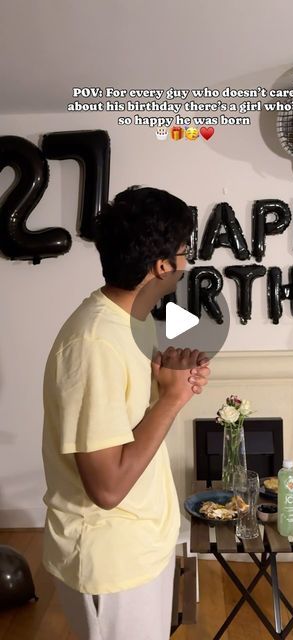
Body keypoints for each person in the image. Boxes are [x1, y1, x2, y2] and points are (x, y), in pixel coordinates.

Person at [41, 185, 210, 640]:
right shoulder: (94, 343)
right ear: (161, 267)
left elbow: (125, 430)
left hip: (138, 547)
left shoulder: (127, 323)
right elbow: (107, 487)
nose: (186, 263)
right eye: (182, 253)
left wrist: (165, 388)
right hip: (111, 558)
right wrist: (172, 401)